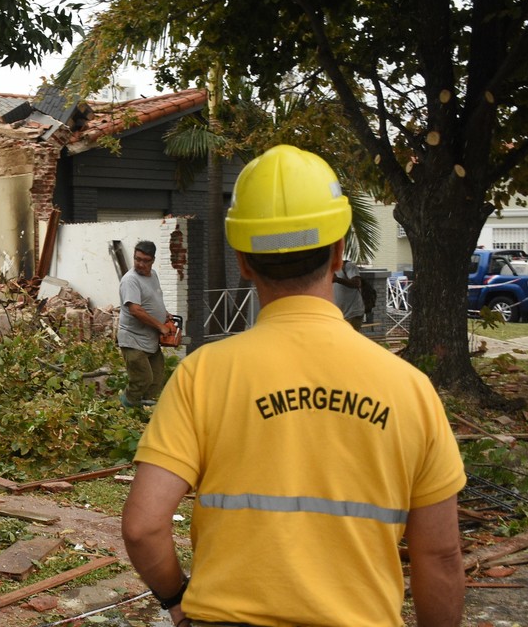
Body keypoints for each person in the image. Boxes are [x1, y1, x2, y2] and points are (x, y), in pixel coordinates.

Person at [122, 145, 465, 627]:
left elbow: (142, 527)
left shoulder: (204, 375)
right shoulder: (410, 389)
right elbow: (441, 556)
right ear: (339, 251)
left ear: (242, 260)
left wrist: (176, 600)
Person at [117, 240, 176, 409]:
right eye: (137, 259)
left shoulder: (153, 275)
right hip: (133, 339)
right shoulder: (130, 280)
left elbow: (154, 299)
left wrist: (165, 315)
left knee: (156, 379)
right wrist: (160, 326)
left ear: (153, 260)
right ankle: (124, 409)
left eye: (145, 260)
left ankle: (142, 411)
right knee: (142, 379)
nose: (140, 264)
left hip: (150, 339)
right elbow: (136, 310)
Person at [332, 256, 365, 330]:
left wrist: (337, 280)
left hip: (352, 314)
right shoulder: (326, 269)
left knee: (349, 340)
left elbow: (357, 283)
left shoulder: (348, 266)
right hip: (337, 316)